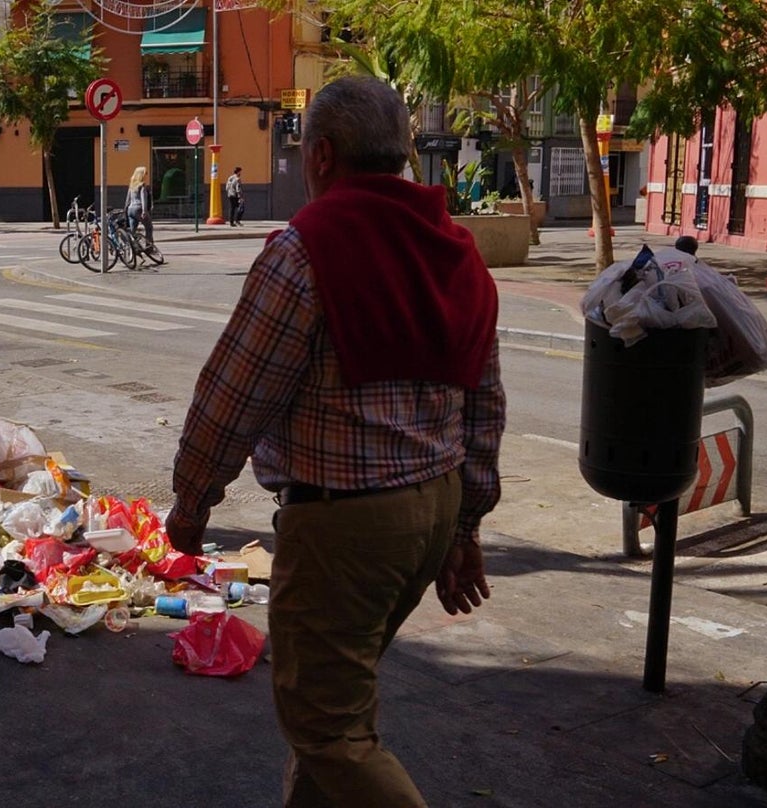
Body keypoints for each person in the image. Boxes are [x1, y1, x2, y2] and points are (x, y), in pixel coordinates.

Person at [166, 76, 505, 807]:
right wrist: (465, 528)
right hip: (432, 510)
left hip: (345, 527)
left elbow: (233, 396)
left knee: (327, 728)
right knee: (337, 705)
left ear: (321, 155)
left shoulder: (307, 250)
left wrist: (192, 504)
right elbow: (484, 405)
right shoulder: (456, 251)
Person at [125, 165, 154, 245]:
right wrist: (144, 211)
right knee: (149, 227)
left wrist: (125, 210)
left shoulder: (132, 185)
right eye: (145, 173)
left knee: (133, 230)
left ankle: (134, 247)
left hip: (130, 209)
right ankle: (149, 246)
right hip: (139, 208)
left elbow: (127, 200)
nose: (146, 175)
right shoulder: (142, 185)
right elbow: (143, 199)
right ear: (141, 175)